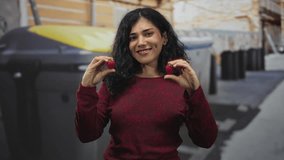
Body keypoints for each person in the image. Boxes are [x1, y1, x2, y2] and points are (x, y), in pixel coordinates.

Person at [75, 7, 218, 160]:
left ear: (164, 38)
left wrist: (195, 92)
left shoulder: (180, 81)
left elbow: (206, 140)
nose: (141, 42)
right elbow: (87, 135)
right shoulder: (114, 80)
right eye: (132, 37)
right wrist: (86, 89)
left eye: (148, 34)